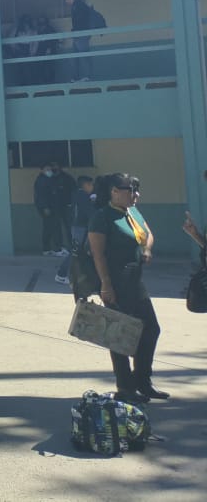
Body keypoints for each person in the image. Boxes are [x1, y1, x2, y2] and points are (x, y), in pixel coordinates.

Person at [87, 172, 167, 403]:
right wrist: (105, 285)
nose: (136, 194)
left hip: (135, 281)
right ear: (114, 191)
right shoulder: (102, 217)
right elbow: (98, 254)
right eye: (130, 190)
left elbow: (148, 234)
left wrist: (147, 249)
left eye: (137, 189)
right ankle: (125, 388)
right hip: (115, 282)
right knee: (120, 335)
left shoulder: (131, 212)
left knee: (151, 329)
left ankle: (143, 380)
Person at [56, 175, 95, 285]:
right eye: (91, 184)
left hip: (78, 226)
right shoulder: (82, 195)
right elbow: (88, 211)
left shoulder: (78, 194)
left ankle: (78, 275)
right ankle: (61, 274)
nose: (92, 187)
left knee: (79, 252)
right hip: (80, 227)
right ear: (86, 185)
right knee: (75, 252)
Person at [35, 163, 65, 256]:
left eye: (50, 169)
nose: (49, 171)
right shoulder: (41, 181)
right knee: (55, 227)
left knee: (48, 228)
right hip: (48, 208)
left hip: (52, 207)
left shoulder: (49, 179)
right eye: (47, 169)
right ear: (41, 170)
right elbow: (41, 196)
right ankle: (58, 249)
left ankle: (47, 249)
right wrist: (45, 207)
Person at [65, 0, 94, 82]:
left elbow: (81, 22)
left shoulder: (80, 6)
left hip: (81, 35)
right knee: (75, 56)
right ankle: (75, 77)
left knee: (84, 56)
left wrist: (75, 31)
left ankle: (87, 76)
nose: (66, 1)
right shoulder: (76, 6)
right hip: (78, 34)